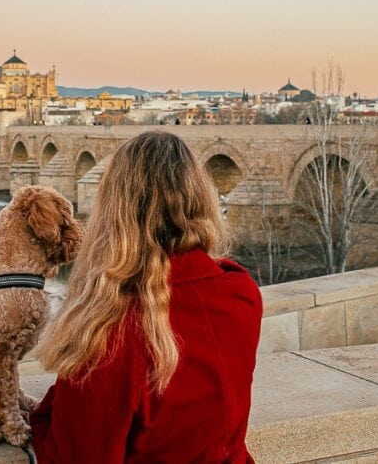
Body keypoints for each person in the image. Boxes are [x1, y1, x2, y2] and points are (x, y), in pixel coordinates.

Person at [30, 131, 263, 462]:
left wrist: (41, 418)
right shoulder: (241, 293)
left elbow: (72, 455)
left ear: (114, 211)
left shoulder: (108, 331)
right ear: (200, 198)